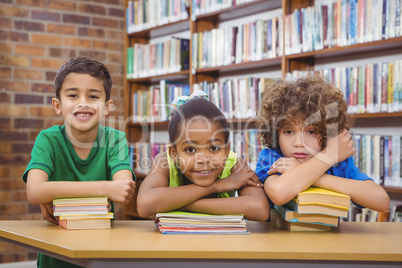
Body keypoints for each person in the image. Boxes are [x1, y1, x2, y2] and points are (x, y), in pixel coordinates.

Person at [22, 56, 136, 268]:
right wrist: (106, 187)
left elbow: (123, 190)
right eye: (73, 95)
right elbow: (35, 192)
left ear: (108, 106)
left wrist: (53, 192)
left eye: (93, 96)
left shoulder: (115, 139)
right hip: (56, 252)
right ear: (57, 105)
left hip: (101, 251)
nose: (83, 102)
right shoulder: (48, 139)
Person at [256, 75, 390, 212]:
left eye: (311, 132)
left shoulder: (337, 165)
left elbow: (382, 201)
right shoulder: (272, 158)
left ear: (328, 134)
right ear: (276, 135)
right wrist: (327, 157)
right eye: (289, 132)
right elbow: (279, 193)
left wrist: (320, 175)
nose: (299, 143)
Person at [136, 91, 270, 221]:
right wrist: (216, 186)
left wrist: (180, 204)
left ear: (226, 150)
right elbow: (144, 204)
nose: (203, 159)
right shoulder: (164, 161)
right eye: (189, 149)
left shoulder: (235, 164)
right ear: (174, 153)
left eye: (213, 148)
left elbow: (260, 209)